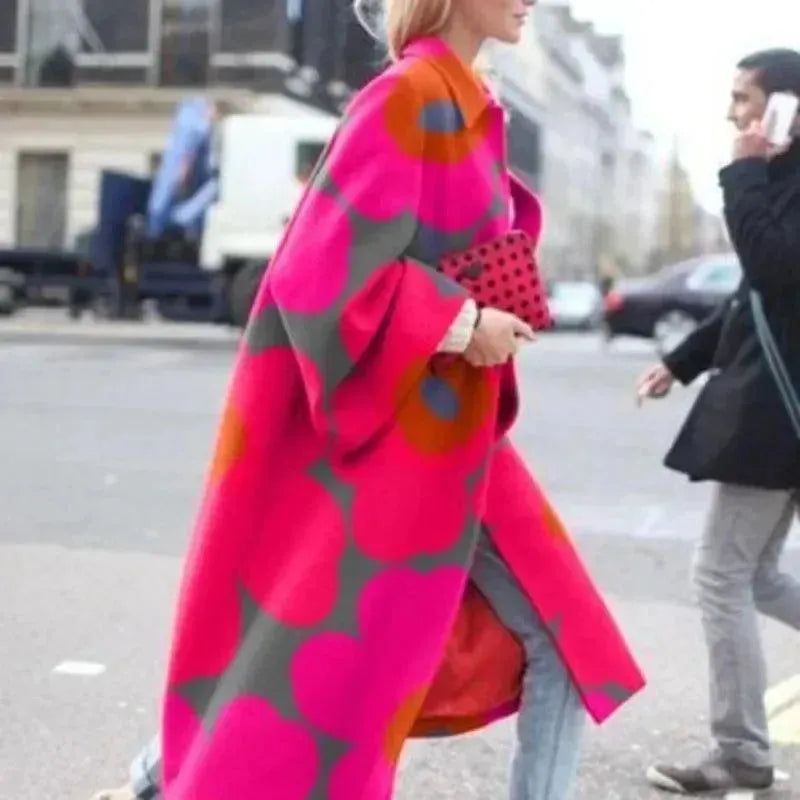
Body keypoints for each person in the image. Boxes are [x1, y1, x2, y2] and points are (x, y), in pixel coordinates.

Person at [92, 2, 644, 799]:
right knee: (316, 647)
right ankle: (172, 775)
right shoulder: (407, 96)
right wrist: (465, 324)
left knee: (349, 643)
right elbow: (315, 271)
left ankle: (164, 776)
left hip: (448, 434)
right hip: (402, 438)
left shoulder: (464, 102)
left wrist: (480, 307)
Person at [639, 48, 800, 795]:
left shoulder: (773, 181)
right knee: (755, 576)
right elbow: (756, 298)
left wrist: (744, 171)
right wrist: (682, 360)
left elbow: (771, 265)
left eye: (745, 100)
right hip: (776, 411)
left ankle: (741, 752)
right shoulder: (782, 182)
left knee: (721, 576)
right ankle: (741, 747)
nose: (732, 113)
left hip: (775, 419)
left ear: (786, 109)